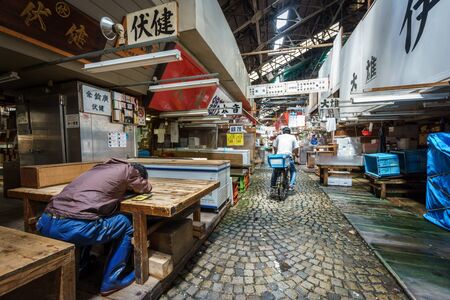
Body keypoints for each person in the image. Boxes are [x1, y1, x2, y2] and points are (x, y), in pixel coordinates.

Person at [37, 158, 151, 295]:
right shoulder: (129, 170)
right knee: (125, 221)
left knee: (92, 215)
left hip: (45, 222)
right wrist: (146, 185)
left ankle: (82, 266)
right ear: (139, 173)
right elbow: (144, 187)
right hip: (74, 228)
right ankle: (111, 280)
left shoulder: (99, 167)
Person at [271, 127, 299, 191]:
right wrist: (296, 154)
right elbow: (296, 148)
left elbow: (274, 146)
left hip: (279, 157)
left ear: (283, 132)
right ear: (290, 132)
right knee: (293, 171)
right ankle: (291, 185)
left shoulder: (278, 137)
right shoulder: (293, 137)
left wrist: (275, 154)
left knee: (275, 170)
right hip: (288, 157)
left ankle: (272, 185)